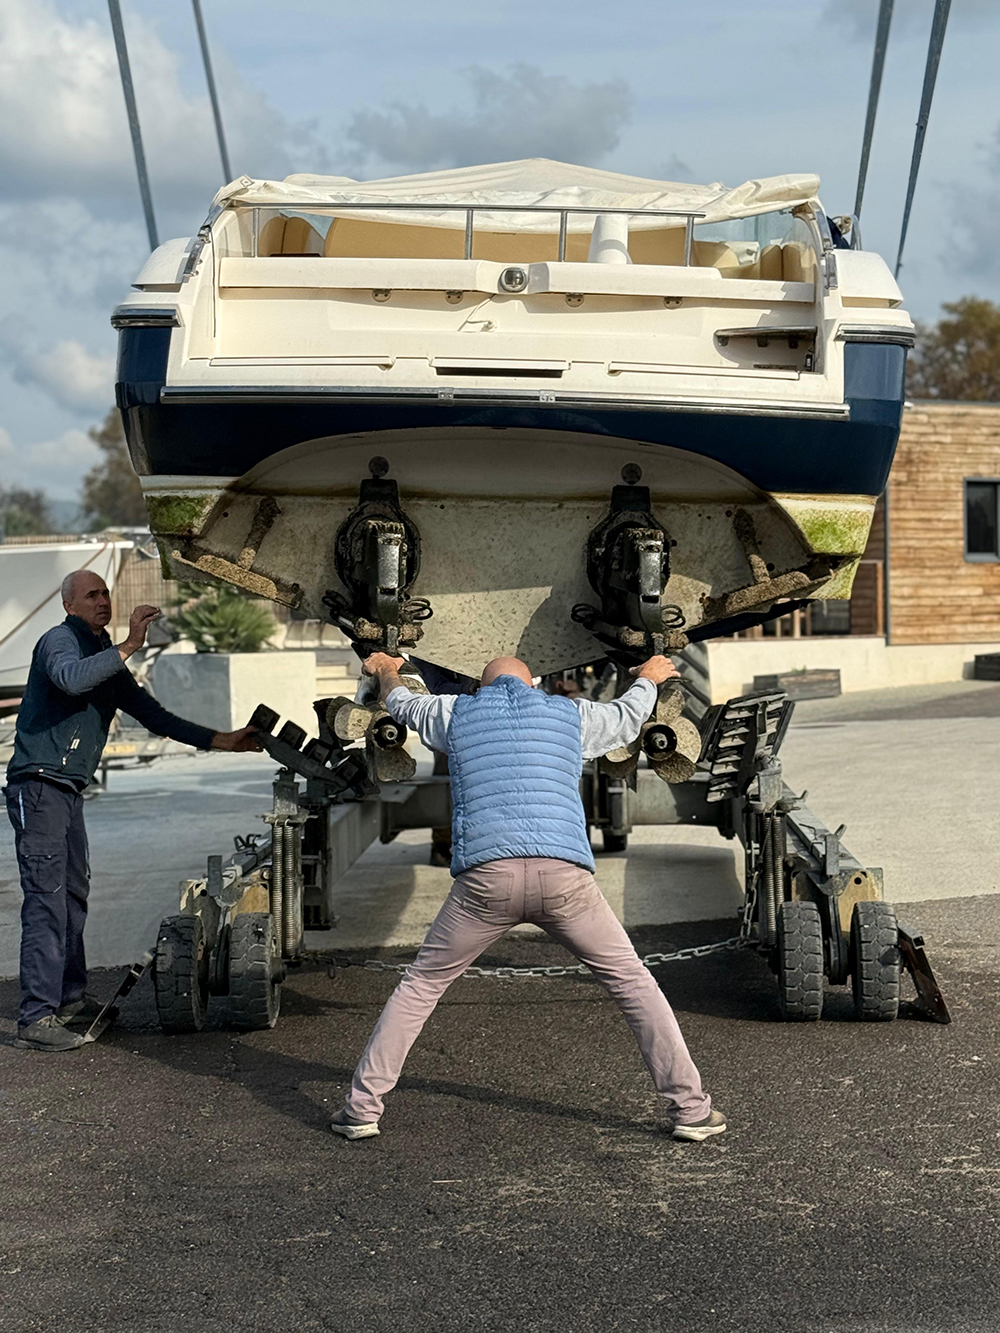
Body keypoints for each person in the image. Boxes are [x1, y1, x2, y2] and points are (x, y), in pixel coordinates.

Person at [329, 652, 726, 1144]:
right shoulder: (570, 714)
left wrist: (386, 667)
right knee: (633, 983)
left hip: (484, 883)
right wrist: (647, 678)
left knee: (420, 988)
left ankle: (361, 1109)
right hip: (564, 879)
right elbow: (627, 717)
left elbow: (401, 699)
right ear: (534, 685)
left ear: (481, 687)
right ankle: (691, 1110)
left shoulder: (455, 713)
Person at [4, 570, 260, 1053]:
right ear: (70, 606)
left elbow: (153, 715)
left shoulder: (106, 661)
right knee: (46, 899)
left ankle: (69, 999)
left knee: (73, 895)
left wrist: (221, 740)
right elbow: (70, 680)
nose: (103, 601)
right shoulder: (59, 641)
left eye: (106, 593)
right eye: (92, 595)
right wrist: (127, 646)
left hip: (65, 790)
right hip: (37, 786)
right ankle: (36, 1017)